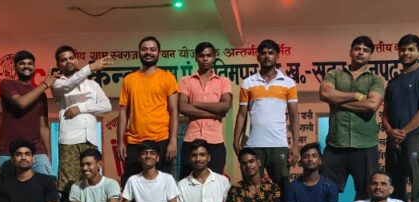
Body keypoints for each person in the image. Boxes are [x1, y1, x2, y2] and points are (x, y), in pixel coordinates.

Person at [49, 47, 113, 202]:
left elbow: (107, 106)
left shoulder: (93, 85)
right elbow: (68, 85)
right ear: (58, 64)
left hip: (90, 140)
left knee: (86, 187)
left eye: (71, 58)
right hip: (69, 140)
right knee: (67, 189)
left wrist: (81, 108)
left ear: (76, 60)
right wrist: (90, 68)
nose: (68, 62)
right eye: (63, 59)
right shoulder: (58, 83)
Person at [319, 36, 386, 201]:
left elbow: (372, 105)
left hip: (365, 144)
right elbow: (325, 93)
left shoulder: (376, 80)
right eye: (357, 49)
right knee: (325, 191)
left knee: (367, 193)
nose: (361, 53)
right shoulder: (334, 74)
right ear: (350, 51)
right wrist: (356, 95)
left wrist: (338, 103)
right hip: (336, 143)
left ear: (370, 55)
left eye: (365, 50)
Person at [233, 39, 299, 189]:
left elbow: (294, 115)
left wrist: (295, 146)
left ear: (277, 56)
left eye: (271, 53)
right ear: (258, 57)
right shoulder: (248, 83)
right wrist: (235, 141)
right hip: (253, 145)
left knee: (282, 189)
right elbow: (242, 114)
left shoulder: (288, 83)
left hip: (279, 145)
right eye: (263, 53)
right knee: (251, 189)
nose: (267, 56)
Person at [382, 34, 419, 202]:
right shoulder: (393, 82)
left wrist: (403, 132)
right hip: (394, 139)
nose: (406, 53)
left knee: (418, 184)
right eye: (403, 49)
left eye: (411, 49)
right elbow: (385, 114)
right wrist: (390, 131)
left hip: (415, 136)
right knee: (394, 184)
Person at [117, 36, 180, 183]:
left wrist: (173, 141)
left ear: (159, 53)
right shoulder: (129, 80)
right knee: (131, 185)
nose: (148, 52)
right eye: (144, 49)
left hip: (162, 140)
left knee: (163, 186)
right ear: (139, 52)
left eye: (153, 49)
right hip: (135, 142)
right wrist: (120, 142)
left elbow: (174, 111)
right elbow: (123, 112)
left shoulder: (168, 78)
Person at [178, 42, 232, 178]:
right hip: (191, 139)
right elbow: (183, 107)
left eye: (208, 55)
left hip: (215, 140)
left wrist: (195, 103)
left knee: (216, 181)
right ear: (196, 57)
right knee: (187, 181)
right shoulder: (186, 81)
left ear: (214, 57)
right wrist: (213, 114)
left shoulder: (223, 81)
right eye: (201, 56)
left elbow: (225, 106)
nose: (205, 59)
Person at [0, 50, 53, 180]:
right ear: (15, 67)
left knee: (48, 186)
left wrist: (48, 155)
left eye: (30, 63)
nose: (26, 66)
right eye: (22, 63)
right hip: (8, 152)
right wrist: (44, 84)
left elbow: (43, 127)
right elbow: (21, 103)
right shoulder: (6, 84)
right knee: (8, 190)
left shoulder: (41, 94)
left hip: (36, 152)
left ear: (34, 67)